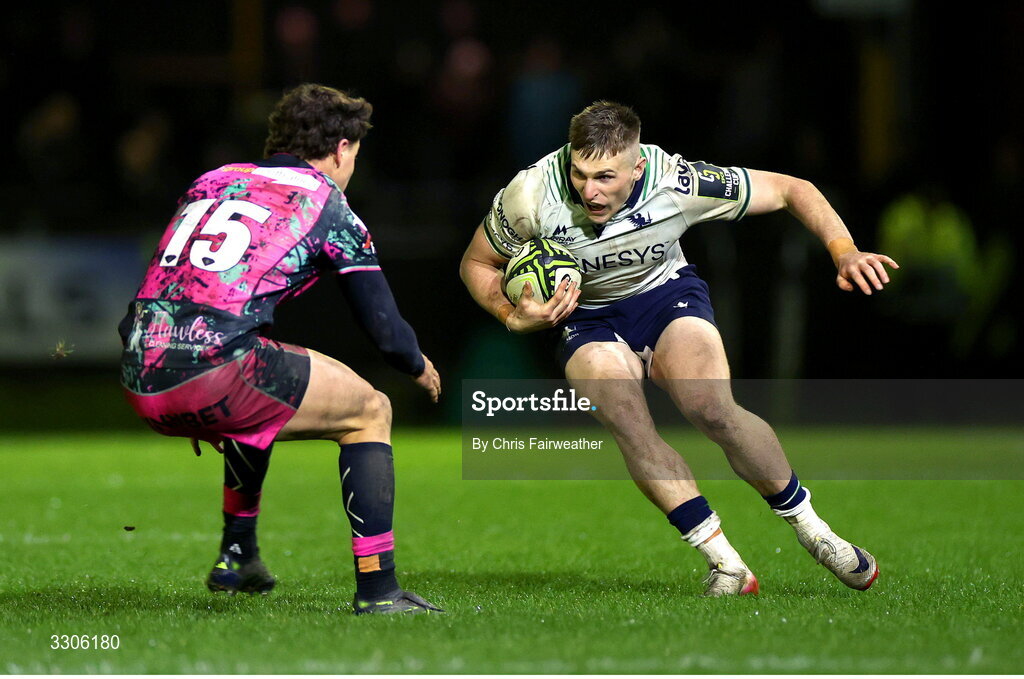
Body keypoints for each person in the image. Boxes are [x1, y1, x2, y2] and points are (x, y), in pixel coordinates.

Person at [460, 101, 897, 596]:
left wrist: (845, 252)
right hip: (585, 317)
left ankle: (815, 533)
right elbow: (476, 263)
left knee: (711, 408)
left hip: (666, 297)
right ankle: (726, 564)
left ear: (638, 165)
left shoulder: (677, 181)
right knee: (627, 420)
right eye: (580, 174)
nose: (590, 191)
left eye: (606, 176)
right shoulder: (532, 193)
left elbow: (794, 189)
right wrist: (510, 314)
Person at [118, 83, 443, 615]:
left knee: (269, 379)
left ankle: (237, 556)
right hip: (211, 367)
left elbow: (165, 280)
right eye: (354, 157)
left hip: (140, 364)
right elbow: (383, 327)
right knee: (371, 410)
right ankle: (379, 591)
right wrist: (416, 364)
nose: (351, 168)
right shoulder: (325, 202)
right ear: (341, 149)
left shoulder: (214, 180)